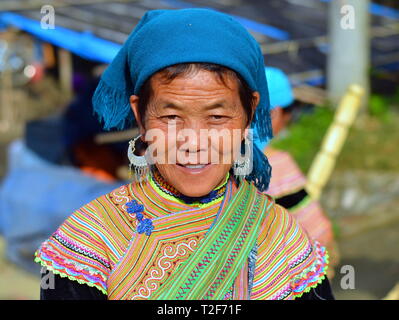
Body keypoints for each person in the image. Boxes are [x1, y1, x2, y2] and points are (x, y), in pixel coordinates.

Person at [34, 8, 333, 300]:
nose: (193, 143)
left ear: (249, 114)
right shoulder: (91, 243)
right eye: (171, 118)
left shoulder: (282, 239)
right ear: (140, 114)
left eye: (217, 117)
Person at [255, 67, 339, 278]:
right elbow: (316, 230)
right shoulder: (275, 164)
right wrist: (329, 261)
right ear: (273, 113)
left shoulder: (215, 158)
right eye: (289, 112)